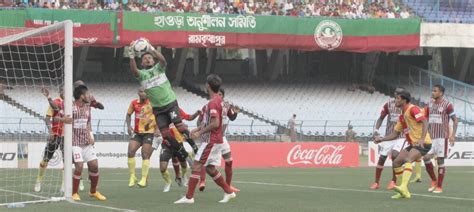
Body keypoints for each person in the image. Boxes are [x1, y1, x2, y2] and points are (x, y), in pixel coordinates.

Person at [128, 41, 198, 164]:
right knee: (166, 135)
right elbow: (134, 71)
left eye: (150, 58)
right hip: (158, 109)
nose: (148, 60)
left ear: (153, 60)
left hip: (170, 103)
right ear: (142, 63)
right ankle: (185, 154)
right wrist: (132, 56)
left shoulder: (159, 68)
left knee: (180, 126)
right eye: (145, 59)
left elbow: (163, 61)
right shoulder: (142, 75)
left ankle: (195, 147)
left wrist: (152, 48)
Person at [174, 74, 237, 204]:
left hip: (211, 140)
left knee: (197, 165)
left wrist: (200, 132)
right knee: (209, 168)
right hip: (217, 140)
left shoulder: (213, 103)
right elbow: (209, 121)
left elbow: (215, 123)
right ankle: (229, 192)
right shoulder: (220, 101)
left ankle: (189, 197)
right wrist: (197, 130)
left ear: (207, 86)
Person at [374, 90, 432, 199]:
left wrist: (422, 138)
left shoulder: (413, 109)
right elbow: (395, 134)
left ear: (404, 100)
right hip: (413, 144)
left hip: (423, 143)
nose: (395, 100)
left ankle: (403, 187)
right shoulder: (402, 116)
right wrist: (381, 139)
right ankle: (403, 191)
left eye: (398, 98)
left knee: (408, 160)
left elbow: (425, 121)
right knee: (396, 162)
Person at [199, 88, 239, 192]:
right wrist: (200, 130)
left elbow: (232, 117)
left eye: (221, 95)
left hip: (222, 138)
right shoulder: (208, 106)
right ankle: (202, 181)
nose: (219, 96)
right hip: (212, 138)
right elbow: (201, 121)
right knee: (205, 164)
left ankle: (228, 186)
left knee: (229, 161)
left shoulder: (226, 105)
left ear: (223, 96)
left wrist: (235, 113)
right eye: (218, 94)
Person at [71, 85, 106, 201]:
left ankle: (93, 191)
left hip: (86, 142)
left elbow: (89, 122)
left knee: (94, 165)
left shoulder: (88, 106)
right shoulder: (71, 107)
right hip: (74, 143)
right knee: (79, 165)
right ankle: (74, 193)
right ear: (81, 96)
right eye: (86, 94)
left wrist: (91, 135)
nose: (88, 96)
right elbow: (63, 120)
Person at [420, 85, 458, 194]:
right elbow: (426, 121)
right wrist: (423, 137)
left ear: (441, 93)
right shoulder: (430, 104)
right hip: (431, 137)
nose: (432, 92)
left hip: (442, 137)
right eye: (432, 90)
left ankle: (439, 187)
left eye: (435, 91)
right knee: (426, 157)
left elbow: (455, 120)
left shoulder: (447, 105)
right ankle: (434, 180)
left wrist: (453, 135)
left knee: (440, 160)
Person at [370, 87, 406, 190]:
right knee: (382, 158)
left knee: (395, 156)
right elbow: (381, 118)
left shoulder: (406, 107)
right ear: (394, 94)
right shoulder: (388, 104)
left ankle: (393, 181)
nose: (398, 95)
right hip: (389, 136)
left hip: (401, 136)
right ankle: (376, 182)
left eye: (400, 93)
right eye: (397, 93)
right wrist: (376, 131)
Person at [126, 87, 160, 188]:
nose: (143, 93)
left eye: (145, 92)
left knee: (145, 154)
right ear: (138, 93)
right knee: (130, 152)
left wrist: (157, 129)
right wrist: (128, 126)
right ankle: (132, 176)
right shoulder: (133, 103)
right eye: (141, 91)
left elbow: (158, 116)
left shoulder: (152, 104)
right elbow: (128, 115)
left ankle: (144, 179)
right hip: (137, 132)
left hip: (148, 132)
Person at [34, 88, 65, 192]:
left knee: (67, 161)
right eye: (64, 91)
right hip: (55, 134)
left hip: (67, 136)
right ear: (60, 92)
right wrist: (50, 131)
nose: (66, 93)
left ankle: (64, 185)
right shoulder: (56, 102)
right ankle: (39, 180)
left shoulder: (71, 104)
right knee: (46, 159)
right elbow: (47, 118)